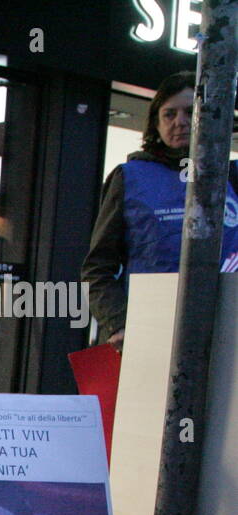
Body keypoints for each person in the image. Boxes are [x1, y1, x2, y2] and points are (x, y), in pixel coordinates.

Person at [82, 70, 238, 350]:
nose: (180, 122)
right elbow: (97, 268)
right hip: (151, 330)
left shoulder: (232, 177)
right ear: (156, 122)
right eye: (169, 114)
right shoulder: (130, 177)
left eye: (191, 112)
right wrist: (118, 323)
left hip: (226, 332)